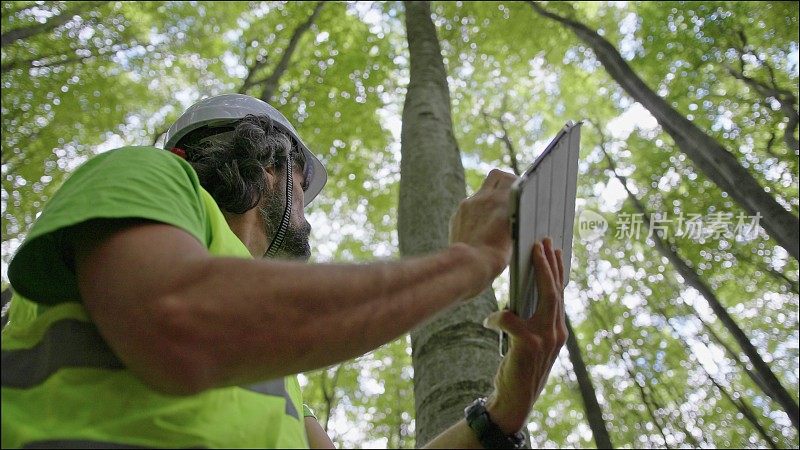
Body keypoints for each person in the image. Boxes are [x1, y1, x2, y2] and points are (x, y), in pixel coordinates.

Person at [1, 94, 567, 449]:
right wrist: (465, 264)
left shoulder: (270, 362)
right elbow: (179, 321)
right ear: (267, 157)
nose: (306, 203)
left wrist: (505, 413)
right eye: (302, 179)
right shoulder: (149, 173)